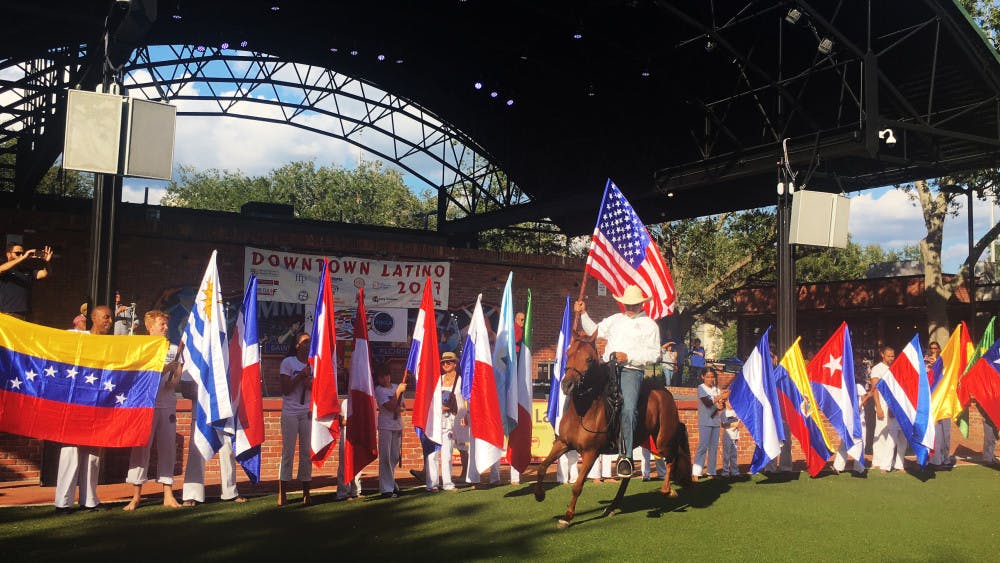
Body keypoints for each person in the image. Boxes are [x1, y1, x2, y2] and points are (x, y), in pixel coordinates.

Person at [575, 284, 660, 477]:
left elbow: (655, 354)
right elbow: (594, 331)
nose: (630, 307)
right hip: (607, 368)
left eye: (634, 303)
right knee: (584, 391)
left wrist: (628, 357)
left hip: (631, 371)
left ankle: (626, 456)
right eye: (627, 303)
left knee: (629, 408)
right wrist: (583, 314)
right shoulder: (615, 319)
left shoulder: (650, 325)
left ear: (640, 304)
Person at [123, 310, 183, 510]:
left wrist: (175, 373)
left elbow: (174, 383)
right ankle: (136, 495)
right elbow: (139, 377)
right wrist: (165, 369)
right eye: (161, 324)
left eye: (166, 324)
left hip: (167, 404)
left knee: (167, 448)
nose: (165, 328)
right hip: (145, 405)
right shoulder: (140, 348)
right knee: (141, 449)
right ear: (150, 327)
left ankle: (168, 493)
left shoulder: (174, 349)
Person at [54, 305, 111, 513]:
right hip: (76, 403)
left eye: (110, 318)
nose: (109, 321)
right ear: (94, 318)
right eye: (106, 317)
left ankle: (90, 500)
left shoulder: (112, 344)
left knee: (93, 454)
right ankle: (63, 502)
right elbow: (53, 341)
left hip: (98, 403)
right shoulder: (77, 336)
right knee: (71, 451)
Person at [278, 333, 313, 505]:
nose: (307, 345)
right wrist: (300, 376)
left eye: (309, 342)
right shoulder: (288, 363)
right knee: (288, 452)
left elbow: (320, 388)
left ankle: (306, 491)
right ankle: (282, 491)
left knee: (306, 453)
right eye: (304, 342)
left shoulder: (314, 363)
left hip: (307, 412)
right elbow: (285, 389)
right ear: (297, 345)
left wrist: (311, 384)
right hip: (290, 412)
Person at [426, 352, 464, 491]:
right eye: (443, 362)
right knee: (433, 453)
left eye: (449, 362)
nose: (445, 365)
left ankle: (448, 483)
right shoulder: (438, 379)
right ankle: (432, 484)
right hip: (436, 419)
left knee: (447, 453)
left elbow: (464, 399)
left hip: (452, 418)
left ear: (455, 364)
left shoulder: (460, 380)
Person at [866, 346, 905, 473]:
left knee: (896, 435)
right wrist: (878, 406)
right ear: (882, 355)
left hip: (895, 405)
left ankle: (894, 462)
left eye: (892, 356)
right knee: (881, 431)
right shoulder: (877, 369)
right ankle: (877, 461)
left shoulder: (896, 367)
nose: (891, 358)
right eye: (888, 356)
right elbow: (875, 388)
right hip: (882, 403)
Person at [0, 242, 53, 320]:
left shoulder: (26, 270)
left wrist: (46, 262)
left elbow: (44, 274)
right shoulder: (5, 269)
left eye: (22, 253)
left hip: (26, 314)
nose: (21, 255)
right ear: (9, 254)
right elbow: (1, 269)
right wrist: (24, 256)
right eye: (18, 253)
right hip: (8, 313)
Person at [375, 366, 406, 498]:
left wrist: (399, 407)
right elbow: (389, 406)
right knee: (385, 457)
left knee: (394, 456)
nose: (385, 379)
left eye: (386, 375)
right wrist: (398, 393)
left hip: (397, 425)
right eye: (381, 377)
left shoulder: (395, 387)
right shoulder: (379, 390)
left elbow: (402, 406)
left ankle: (392, 483)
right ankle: (386, 489)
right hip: (385, 426)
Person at [692, 367, 726, 481]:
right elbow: (708, 403)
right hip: (705, 421)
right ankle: (696, 472)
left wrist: (721, 405)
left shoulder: (716, 389)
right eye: (708, 377)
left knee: (713, 448)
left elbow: (718, 407)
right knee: (703, 446)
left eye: (712, 377)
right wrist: (720, 397)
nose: (710, 379)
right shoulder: (701, 388)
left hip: (715, 421)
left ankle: (711, 471)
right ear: (703, 377)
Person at [925, 341, 954, 468]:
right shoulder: (926, 363)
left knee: (946, 433)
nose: (933, 350)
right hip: (933, 402)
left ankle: (946, 458)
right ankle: (936, 459)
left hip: (945, 402)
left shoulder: (944, 362)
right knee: (936, 433)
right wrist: (930, 368)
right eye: (931, 348)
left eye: (936, 348)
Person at [833, 372, 869, 475]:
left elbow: (864, 402)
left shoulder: (859, 387)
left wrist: (862, 402)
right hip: (848, 419)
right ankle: (838, 466)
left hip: (859, 419)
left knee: (861, 441)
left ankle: (859, 468)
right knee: (844, 442)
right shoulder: (843, 389)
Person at [336, 398, 363, 500]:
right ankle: (343, 492)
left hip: (358, 433)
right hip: (346, 434)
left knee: (358, 463)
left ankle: (355, 491)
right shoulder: (345, 402)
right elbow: (341, 422)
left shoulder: (362, 401)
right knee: (344, 463)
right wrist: (353, 420)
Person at [720, 397, 741, 478]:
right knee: (726, 454)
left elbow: (739, 423)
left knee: (734, 454)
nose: (731, 404)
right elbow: (724, 424)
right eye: (729, 402)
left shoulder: (736, 412)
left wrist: (736, 425)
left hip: (735, 436)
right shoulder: (724, 413)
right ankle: (725, 472)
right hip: (727, 435)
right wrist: (733, 424)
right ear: (725, 403)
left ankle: (734, 471)